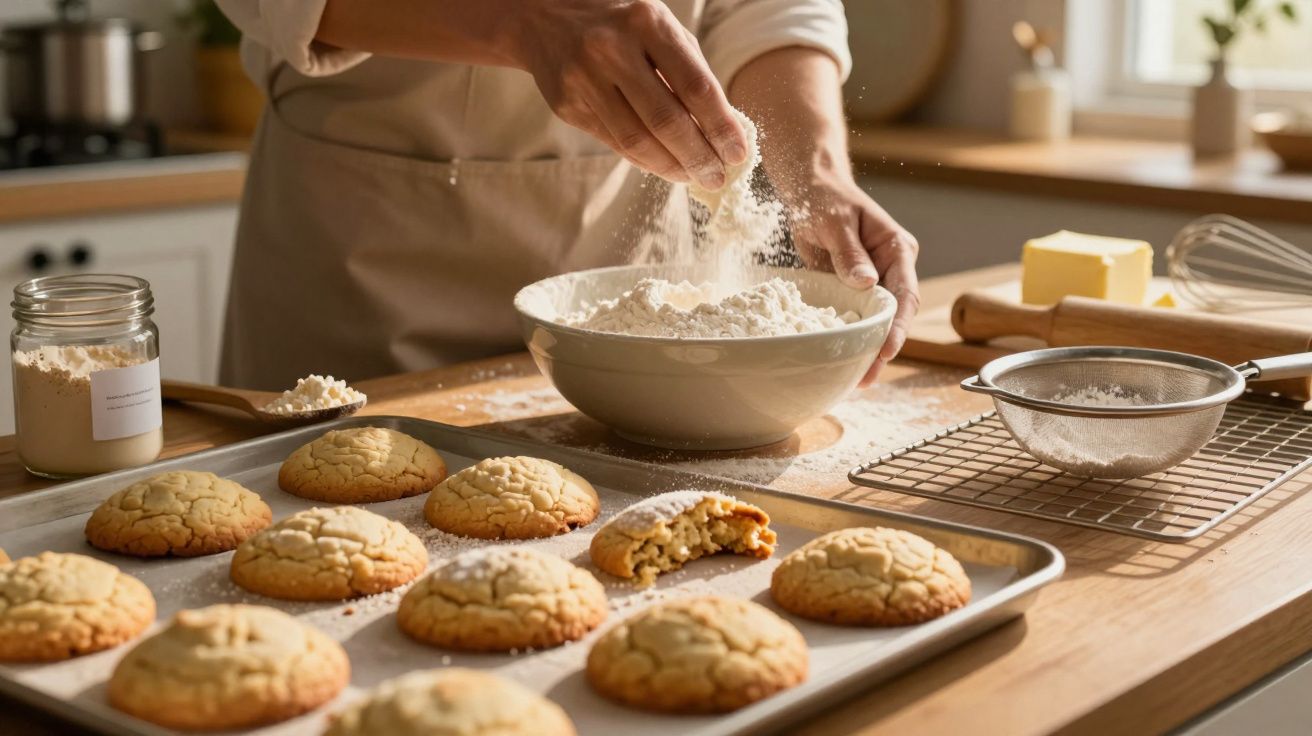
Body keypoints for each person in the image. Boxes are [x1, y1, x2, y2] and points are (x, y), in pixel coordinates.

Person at [215, 0, 919, 390]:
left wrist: (819, 175)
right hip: (361, 261)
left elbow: (767, 7)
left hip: (620, 271)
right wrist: (526, 18)